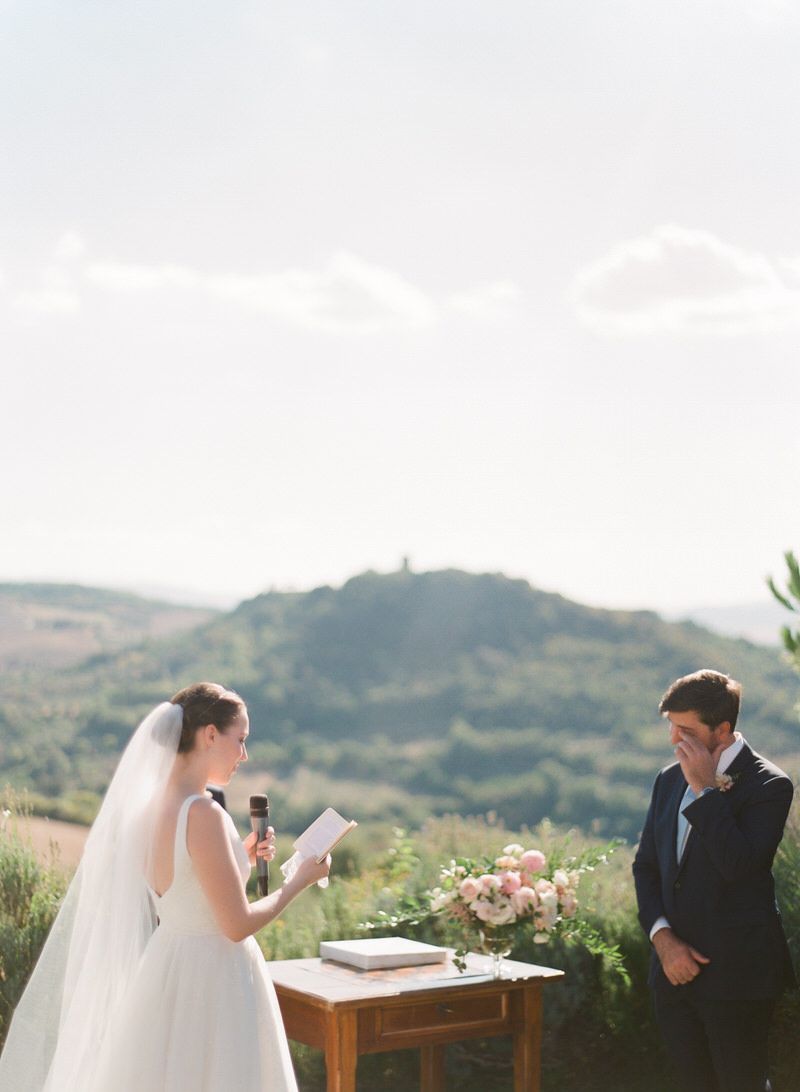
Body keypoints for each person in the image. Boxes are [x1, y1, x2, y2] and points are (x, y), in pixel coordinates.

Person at [0, 682, 330, 1092]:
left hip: (168, 969)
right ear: (210, 734)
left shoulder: (147, 809)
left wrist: (239, 857)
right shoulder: (205, 813)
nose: (244, 755)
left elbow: (183, 888)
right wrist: (299, 880)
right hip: (215, 979)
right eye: (240, 739)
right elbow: (235, 924)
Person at [632, 669, 795, 1092]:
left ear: (722, 730)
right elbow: (646, 867)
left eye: (685, 729)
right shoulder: (667, 780)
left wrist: (705, 790)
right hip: (672, 973)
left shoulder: (770, 785)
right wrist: (664, 942)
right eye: (671, 726)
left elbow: (739, 867)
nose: (673, 740)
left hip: (739, 975)